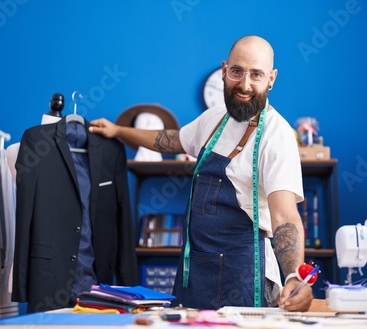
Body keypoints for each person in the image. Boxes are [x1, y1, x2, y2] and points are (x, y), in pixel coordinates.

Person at [89, 35, 313, 311]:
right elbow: (172, 140)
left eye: (256, 74)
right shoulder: (215, 118)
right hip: (195, 274)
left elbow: (285, 215)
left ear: (271, 79)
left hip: (244, 278)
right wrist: (119, 131)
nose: (244, 84)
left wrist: (293, 275)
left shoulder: (276, 135)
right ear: (224, 70)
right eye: (237, 71)